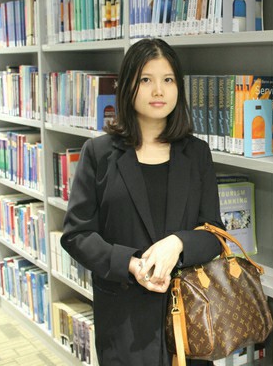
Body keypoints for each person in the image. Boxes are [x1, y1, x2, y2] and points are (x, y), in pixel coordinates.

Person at [61, 38, 223, 366]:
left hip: (187, 315)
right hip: (124, 318)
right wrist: (130, 263)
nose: (158, 90)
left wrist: (178, 243)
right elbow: (77, 235)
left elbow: (214, 233)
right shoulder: (99, 153)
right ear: (128, 86)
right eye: (146, 79)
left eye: (168, 80)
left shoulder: (196, 153)